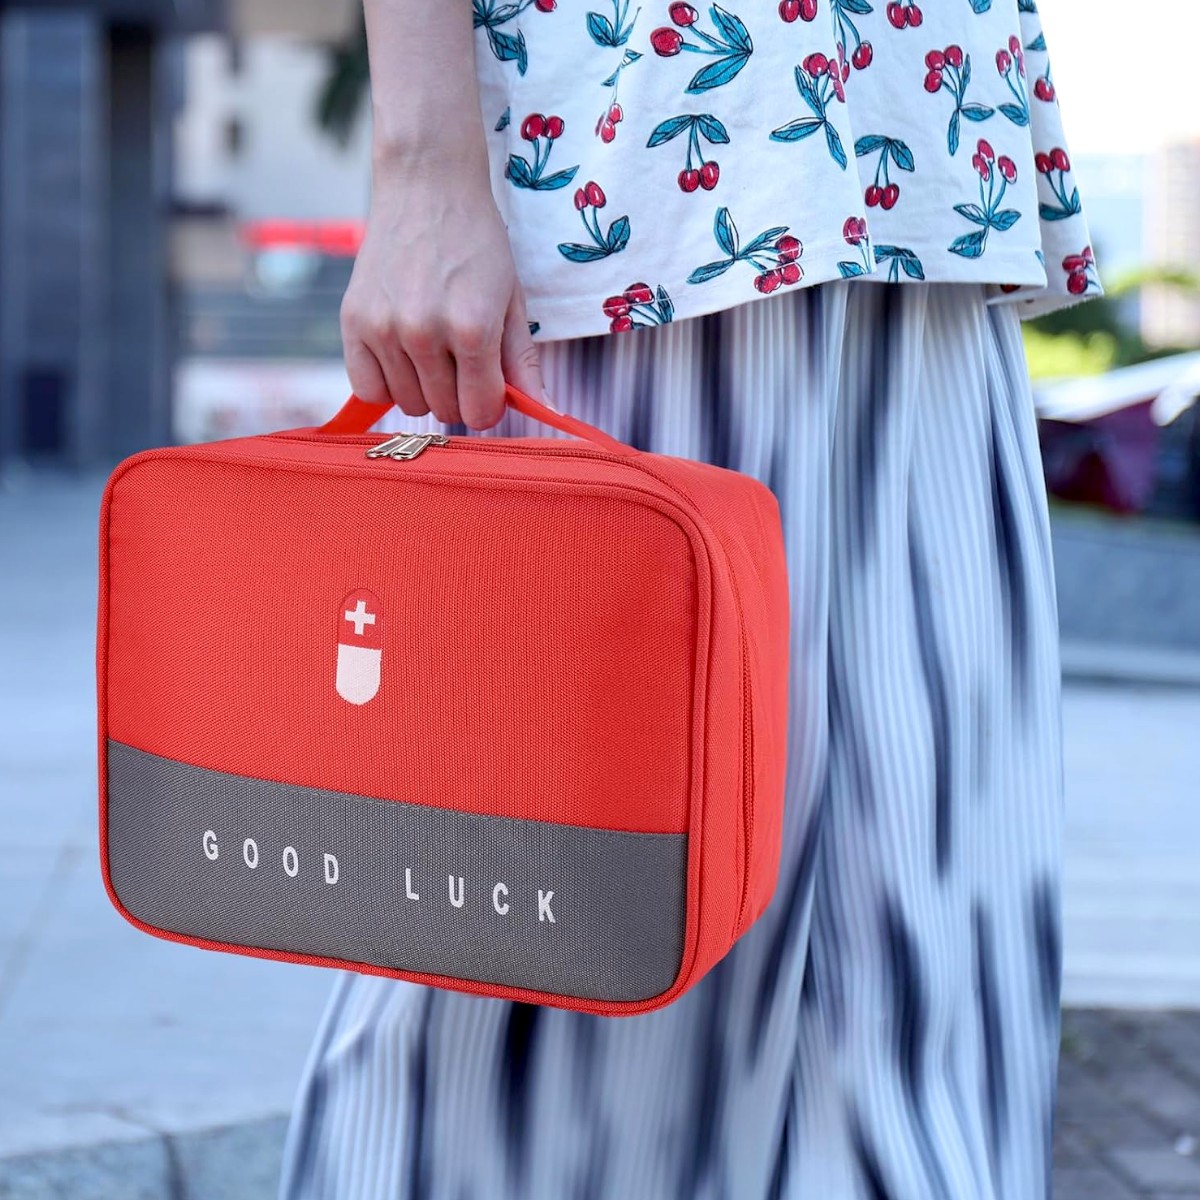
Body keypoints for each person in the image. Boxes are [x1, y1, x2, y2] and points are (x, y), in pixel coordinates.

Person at [280, 1, 1102, 1196]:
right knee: (531, 967)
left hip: (928, 176)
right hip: (646, 178)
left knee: (914, 970)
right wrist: (421, 169)